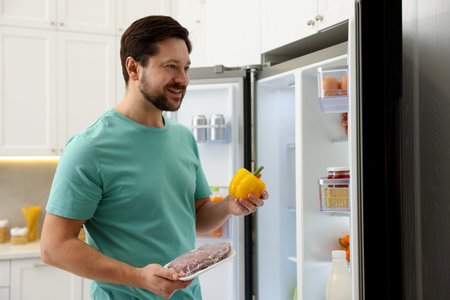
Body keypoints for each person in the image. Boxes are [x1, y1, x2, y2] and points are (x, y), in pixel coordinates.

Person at [40, 15, 269, 300]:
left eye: (185, 68)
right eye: (171, 66)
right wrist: (138, 278)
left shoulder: (183, 138)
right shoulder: (89, 148)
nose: (183, 79)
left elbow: (196, 217)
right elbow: (54, 246)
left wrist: (227, 207)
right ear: (134, 68)